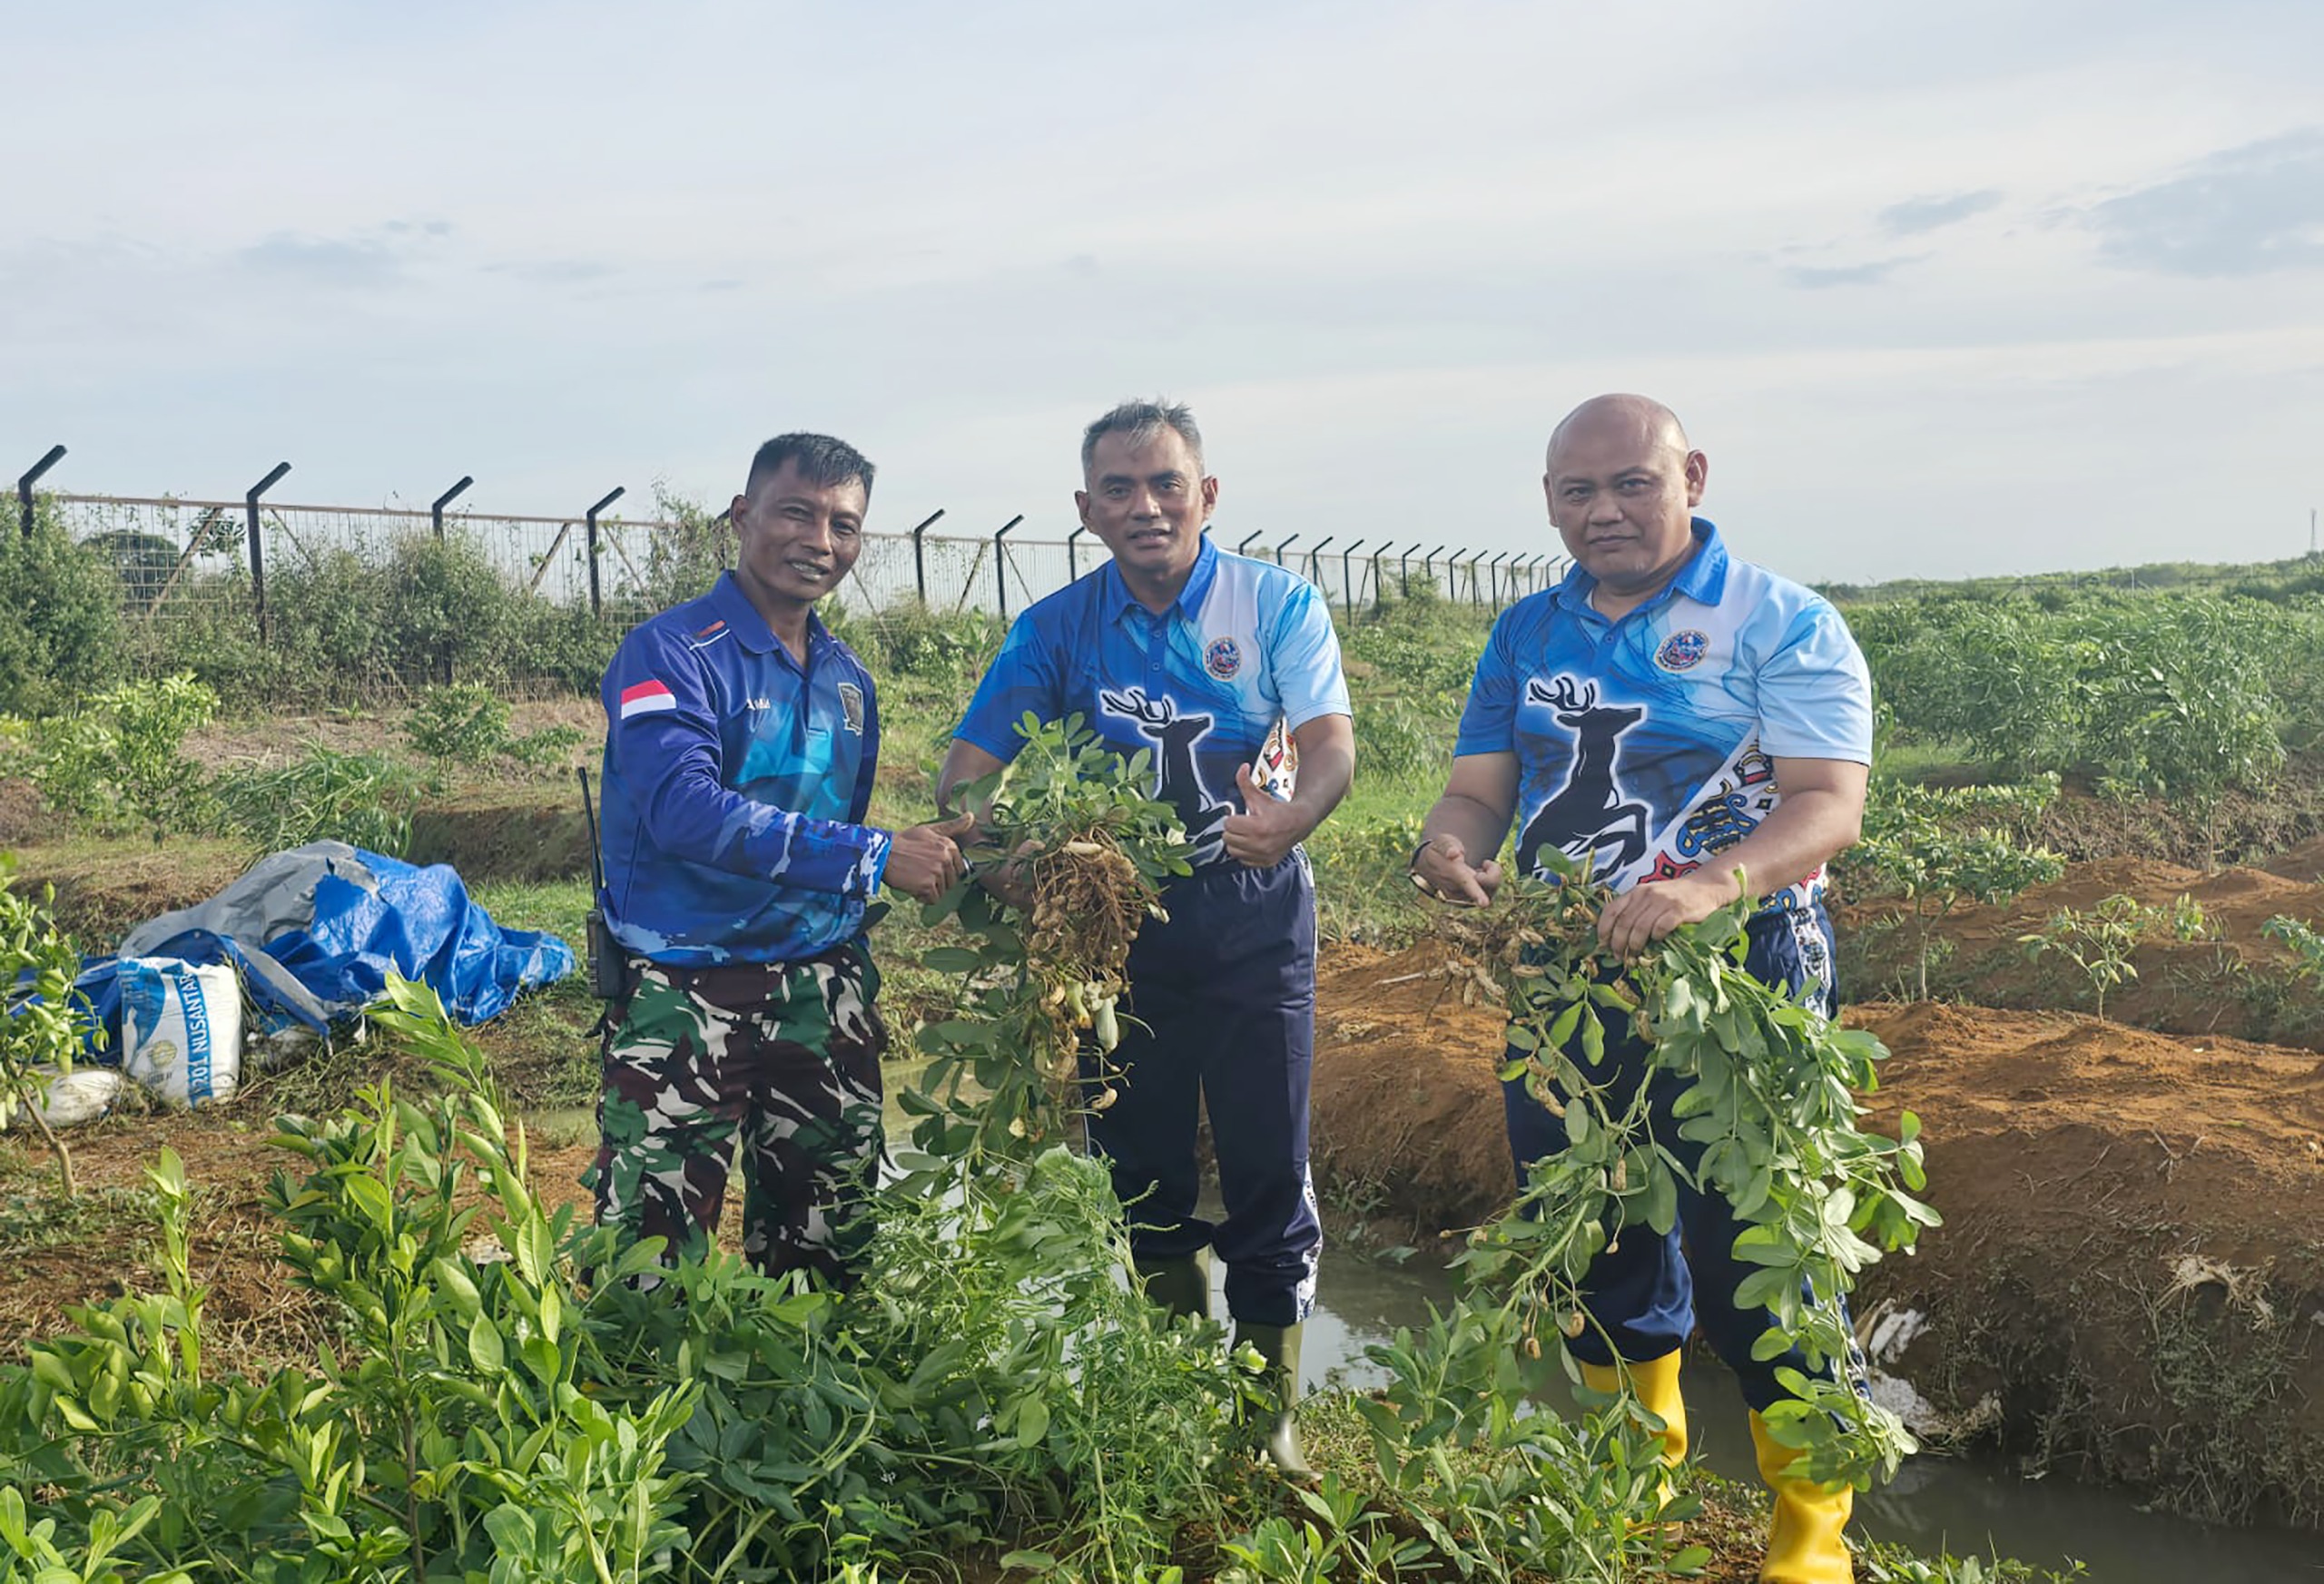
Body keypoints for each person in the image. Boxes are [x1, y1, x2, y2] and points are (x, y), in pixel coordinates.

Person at [1411, 395, 1871, 1584]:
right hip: (1567, 981)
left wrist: (1710, 885)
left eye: (1631, 483)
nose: (1603, 511)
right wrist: (1448, 847)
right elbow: (1479, 792)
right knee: (1595, 1227)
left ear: (1692, 477)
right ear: (1548, 501)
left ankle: (1810, 1538)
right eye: (1578, 491)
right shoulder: (1525, 633)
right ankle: (1635, 1481)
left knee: (1759, 1247)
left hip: (1741, 974)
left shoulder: (1779, 621)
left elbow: (1828, 801)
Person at [938, 398, 1356, 1479]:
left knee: (1268, 1169)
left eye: (1166, 483)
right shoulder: (1056, 629)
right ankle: (1175, 1394)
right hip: (1118, 935)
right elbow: (966, 780)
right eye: (1118, 489)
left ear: (1205, 494)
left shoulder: (1275, 604)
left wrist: (1293, 819)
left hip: (1256, 913)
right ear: (1086, 510)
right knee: (1138, 1170)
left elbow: (1330, 748)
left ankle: (1265, 1424)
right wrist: (1008, 861)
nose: (1146, 506)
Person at [587, 431, 970, 1288]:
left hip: (822, 994)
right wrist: (875, 855)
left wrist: (951, 852)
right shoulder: (670, 652)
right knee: (648, 1262)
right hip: (685, 994)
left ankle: (809, 1375)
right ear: (742, 515)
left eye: (844, 524)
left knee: (829, 1253)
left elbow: (830, 831)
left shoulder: (848, 679)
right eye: (797, 512)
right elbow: (684, 811)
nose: (820, 541)